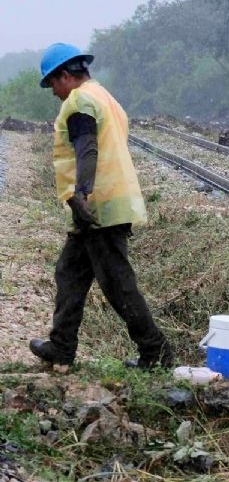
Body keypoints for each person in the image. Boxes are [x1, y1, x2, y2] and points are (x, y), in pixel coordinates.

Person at [29, 43, 172, 369]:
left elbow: (87, 148)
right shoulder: (105, 96)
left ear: (65, 75)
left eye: (52, 83)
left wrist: (80, 193)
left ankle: (156, 353)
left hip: (98, 207)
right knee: (70, 273)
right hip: (101, 204)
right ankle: (61, 346)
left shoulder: (80, 100)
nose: (53, 92)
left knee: (118, 284)